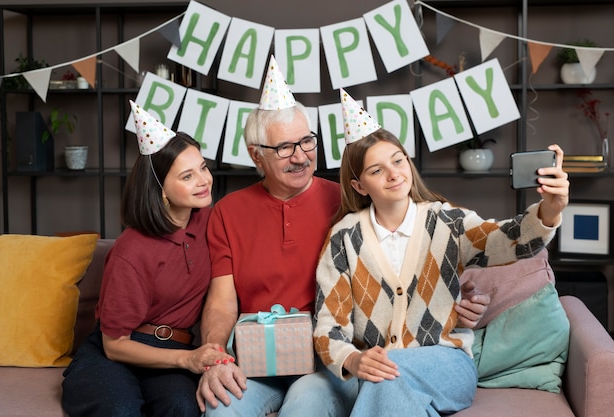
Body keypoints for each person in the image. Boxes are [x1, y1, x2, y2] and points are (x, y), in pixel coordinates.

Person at [197, 57, 490, 417]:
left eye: (307, 142)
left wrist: (459, 293)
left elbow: (419, 240)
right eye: (285, 148)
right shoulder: (228, 211)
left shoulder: (350, 202)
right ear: (256, 155)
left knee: (305, 406)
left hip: (329, 362)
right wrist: (216, 355)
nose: (301, 157)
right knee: (220, 410)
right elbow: (222, 303)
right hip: (259, 358)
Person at [313, 89, 570, 417]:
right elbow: (328, 325)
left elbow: (512, 240)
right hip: (374, 370)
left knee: (388, 372)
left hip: (448, 365)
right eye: (376, 170)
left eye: (398, 160)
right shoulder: (343, 239)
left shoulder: (449, 222)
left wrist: (550, 208)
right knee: (366, 383)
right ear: (359, 186)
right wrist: (352, 359)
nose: (394, 174)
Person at [61, 102, 232, 417]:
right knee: (119, 408)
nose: (204, 180)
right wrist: (187, 359)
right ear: (161, 190)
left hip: (174, 348)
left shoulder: (211, 222)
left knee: (183, 407)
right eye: (187, 176)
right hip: (114, 353)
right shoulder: (131, 250)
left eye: (203, 168)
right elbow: (115, 345)